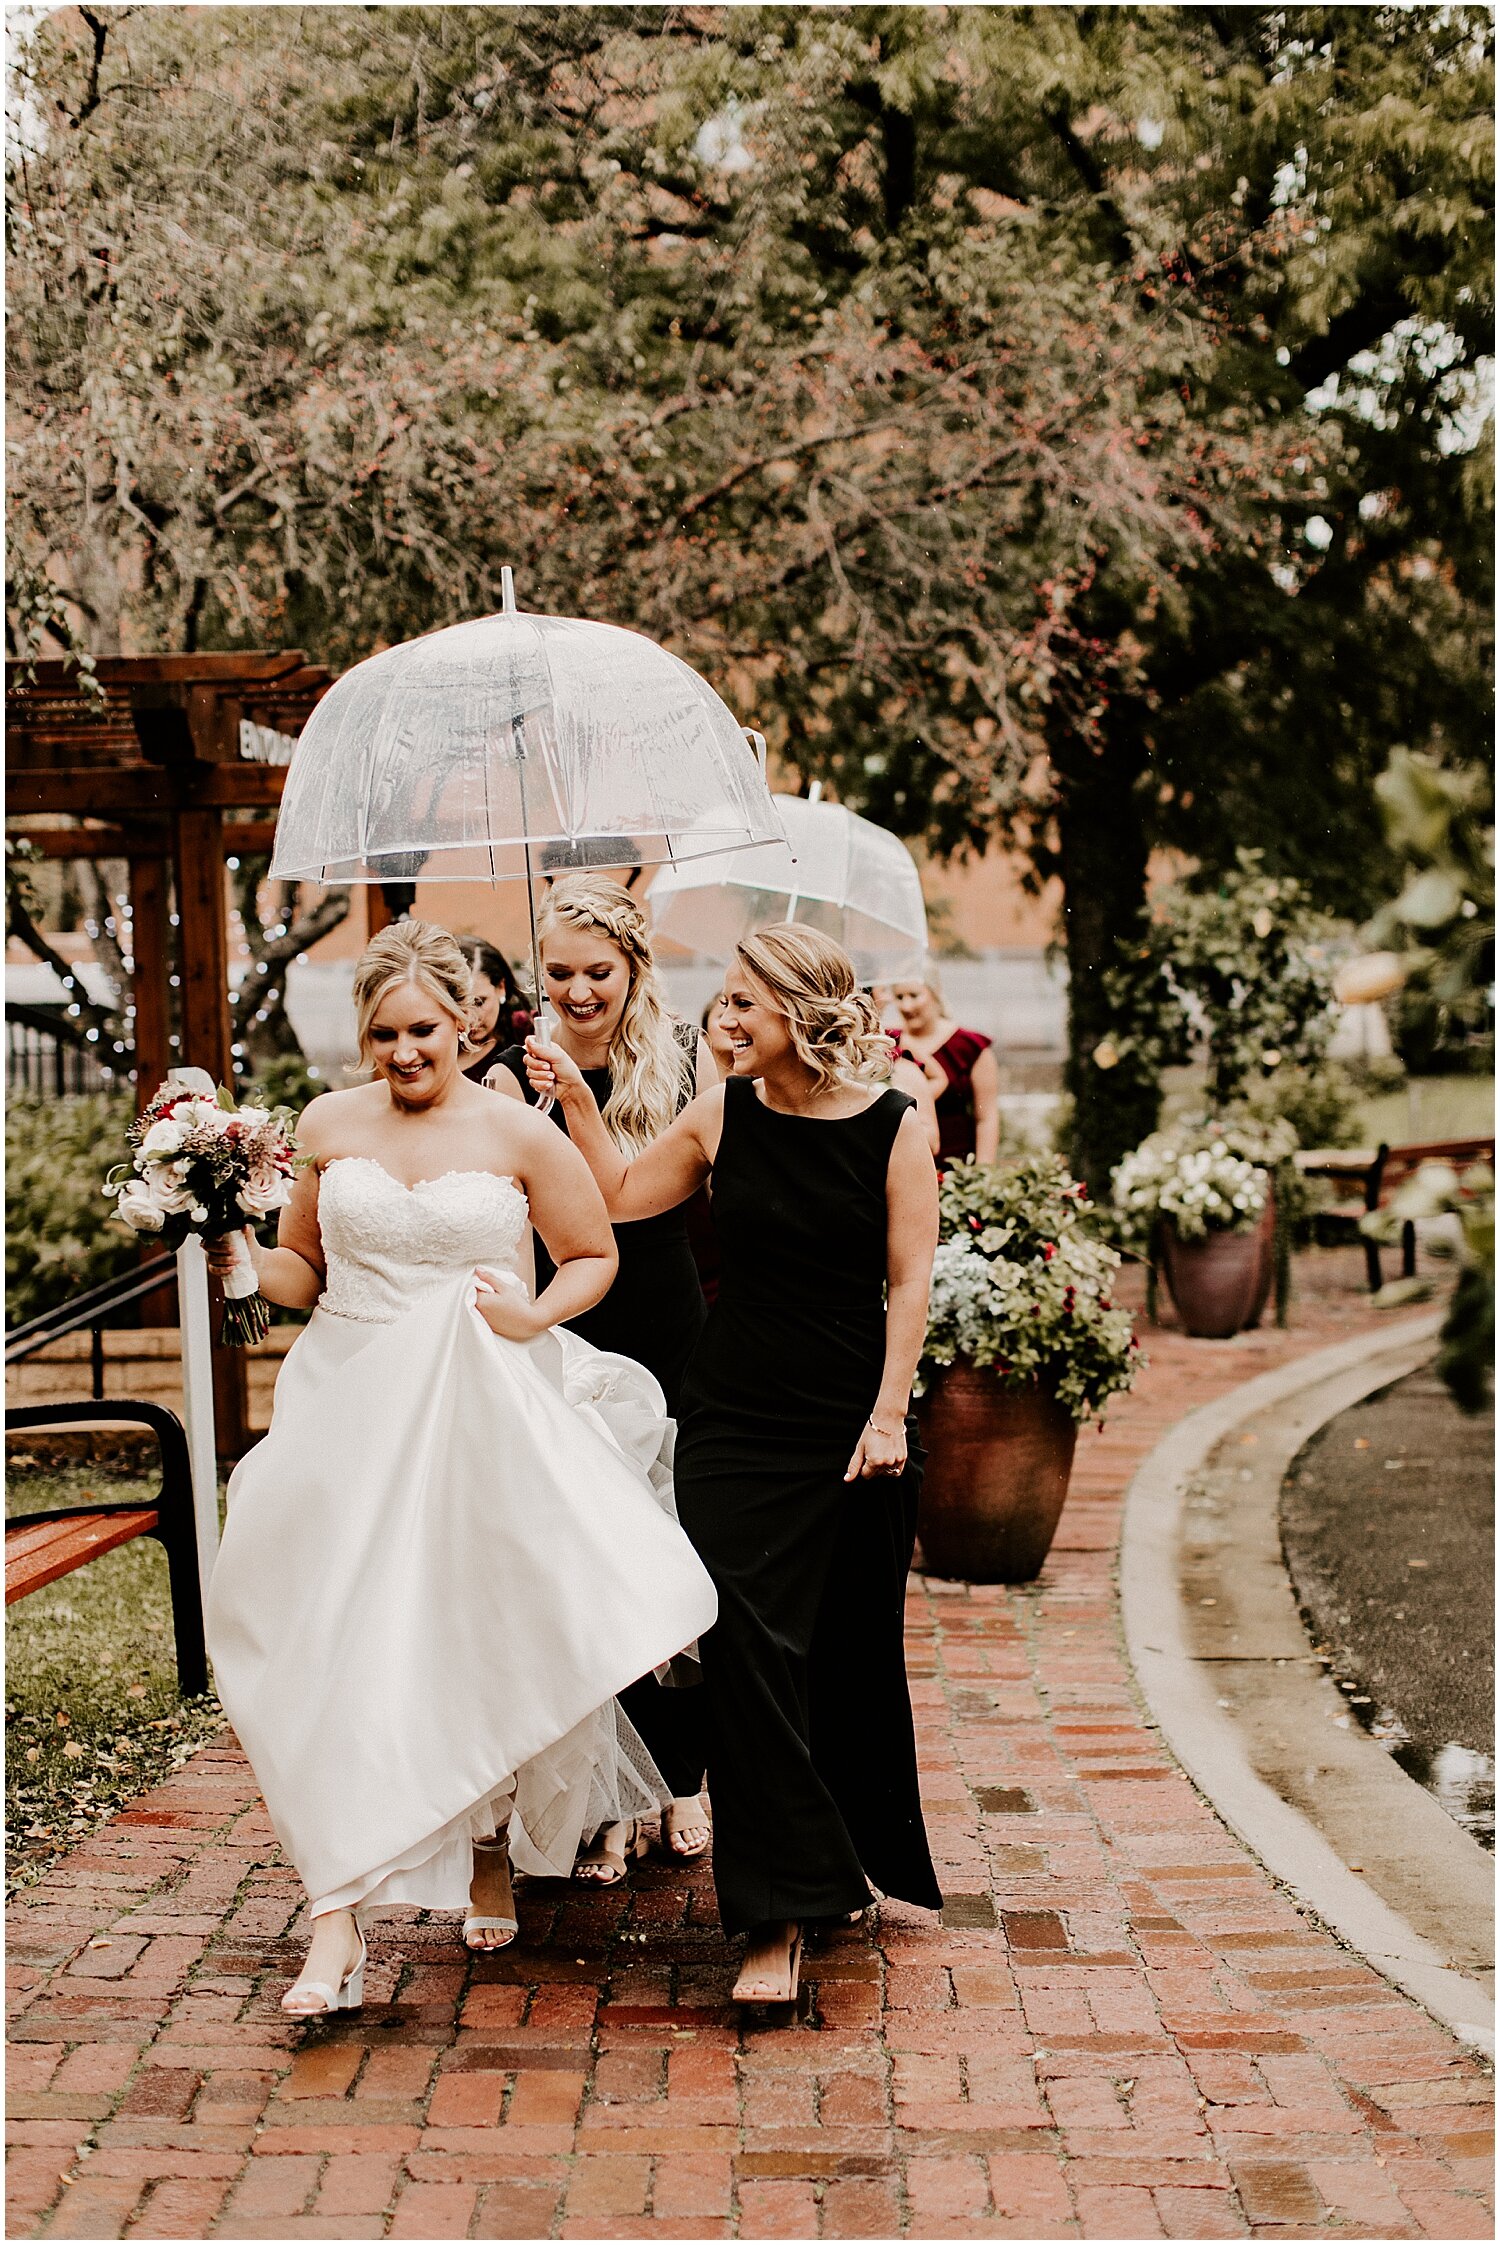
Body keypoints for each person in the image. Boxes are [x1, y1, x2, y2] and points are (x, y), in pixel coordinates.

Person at [204, 921, 716, 2017]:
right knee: (323, 1640)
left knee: (471, 1628)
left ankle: (483, 1847)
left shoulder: (516, 1129)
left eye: (423, 1028)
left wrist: (534, 1313)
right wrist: (239, 1253)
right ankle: (334, 1920)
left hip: (479, 1407)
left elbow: (595, 1254)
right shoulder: (329, 1123)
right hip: (348, 1408)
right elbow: (303, 1268)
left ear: (465, 1019)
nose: (403, 1050)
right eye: (383, 1032)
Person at [525, 925, 942, 2006]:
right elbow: (617, 1195)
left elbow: (911, 1284)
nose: (725, 1018)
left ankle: (840, 1859)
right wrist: (574, 1092)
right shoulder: (720, 1114)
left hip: (851, 1418)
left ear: (803, 1014)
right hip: (735, 1416)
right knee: (743, 1637)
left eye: (746, 1003)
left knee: (840, 1652)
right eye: (723, 999)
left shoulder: (895, 1129)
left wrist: (890, 1413)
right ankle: (774, 1915)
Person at [491, 876, 716, 1874]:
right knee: (587, 1555)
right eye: (561, 972)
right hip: (564, 1325)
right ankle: (608, 1801)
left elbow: (627, 1204)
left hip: (661, 1320)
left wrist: (577, 1101)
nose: (578, 992)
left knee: (672, 1545)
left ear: (635, 972)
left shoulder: (677, 1065)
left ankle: (686, 1779)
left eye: (599, 973)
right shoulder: (509, 1073)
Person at [889, 972, 1000, 1166]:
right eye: (899, 997)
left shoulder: (969, 1046)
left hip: (957, 1165)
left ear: (934, 992)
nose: (906, 1006)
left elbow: (986, 1117)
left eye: (914, 995)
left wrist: (983, 1174)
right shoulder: (888, 1042)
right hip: (903, 1161)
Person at [455, 936, 532, 1081]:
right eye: (459, 1005)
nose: (470, 1018)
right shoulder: (436, 1049)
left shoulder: (528, 1031)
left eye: (479, 1003)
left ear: (501, 988)